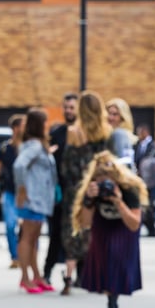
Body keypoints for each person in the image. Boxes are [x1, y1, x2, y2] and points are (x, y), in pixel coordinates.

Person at [72, 150, 147, 308]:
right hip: (102, 229)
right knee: (106, 265)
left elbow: (134, 224)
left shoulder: (129, 190)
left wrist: (118, 201)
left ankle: (113, 304)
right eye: (99, 180)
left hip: (124, 230)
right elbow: (86, 222)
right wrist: (89, 200)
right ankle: (111, 304)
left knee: (117, 261)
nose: (104, 184)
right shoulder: (93, 191)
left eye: (107, 179)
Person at [58, 90, 115, 296]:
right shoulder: (106, 132)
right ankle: (97, 278)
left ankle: (68, 277)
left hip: (75, 189)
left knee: (73, 230)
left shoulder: (74, 131)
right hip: (97, 187)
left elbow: (66, 166)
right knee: (95, 231)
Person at [12, 107, 58, 293]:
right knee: (28, 238)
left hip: (39, 199)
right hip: (33, 198)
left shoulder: (38, 144)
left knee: (33, 238)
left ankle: (36, 276)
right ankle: (25, 277)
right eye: (45, 122)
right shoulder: (34, 146)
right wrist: (22, 189)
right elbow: (19, 166)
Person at [43, 92, 78, 284]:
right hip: (58, 194)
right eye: (66, 107)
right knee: (55, 234)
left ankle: (80, 275)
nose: (68, 111)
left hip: (78, 194)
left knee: (78, 234)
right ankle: (47, 272)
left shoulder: (84, 134)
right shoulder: (56, 134)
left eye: (72, 107)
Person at [0, 113, 26, 268]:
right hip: (10, 193)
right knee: (10, 225)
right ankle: (15, 257)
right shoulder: (5, 149)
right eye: (24, 125)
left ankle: (27, 256)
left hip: (26, 194)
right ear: (15, 128)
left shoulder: (30, 147)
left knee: (27, 227)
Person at [105, 97, 139, 169]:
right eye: (109, 113)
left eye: (115, 114)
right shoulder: (106, 136)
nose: (110, 117)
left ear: (123, 117)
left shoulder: (120, 135)